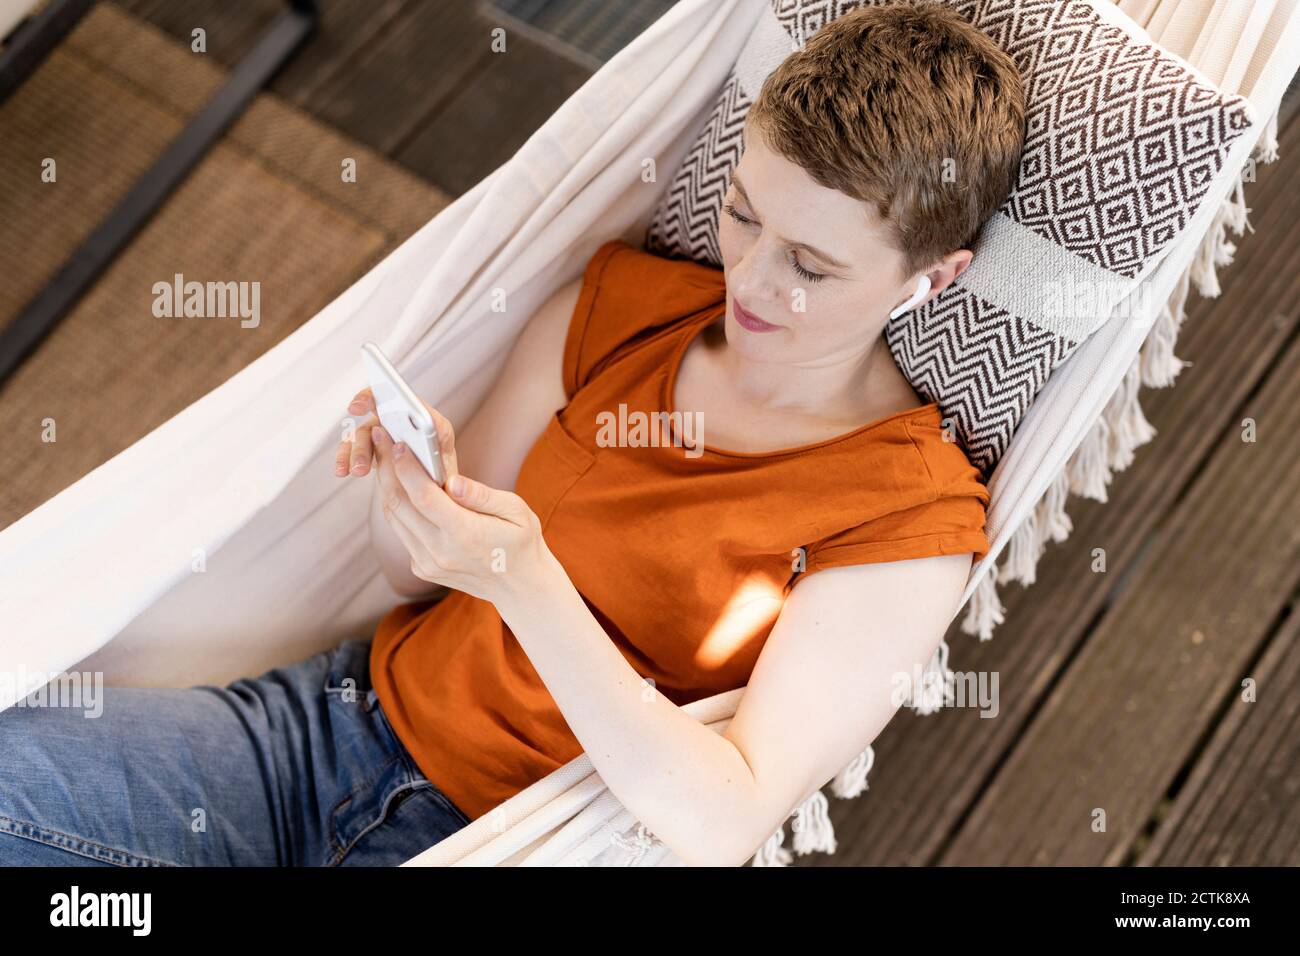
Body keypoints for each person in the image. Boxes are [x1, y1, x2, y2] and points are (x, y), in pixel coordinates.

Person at [0, 0, 1025, 867]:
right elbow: (412, 574)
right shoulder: (619, 307)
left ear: (934, 278)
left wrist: (527, 580)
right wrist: (411, 494)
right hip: (324, 728)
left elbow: (724, 812)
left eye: (811, 265)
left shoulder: (907, 516)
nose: (749, 279)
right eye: (741, 212)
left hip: (501, 837)